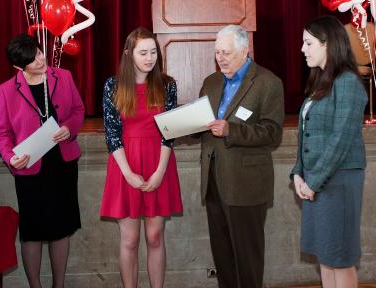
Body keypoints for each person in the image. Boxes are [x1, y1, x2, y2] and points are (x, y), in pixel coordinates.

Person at [0, 34, 85, 288]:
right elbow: (3, 133)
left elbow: (78, 110)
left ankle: (59, 285)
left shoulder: (63, 77)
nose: (40, 59)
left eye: (39, 52)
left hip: (63, 164)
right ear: (18, 67)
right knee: (32, 232)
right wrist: (11, 157)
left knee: (61, 227)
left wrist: (69, 128)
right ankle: (35, 286)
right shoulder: (6, 90)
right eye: (32, 60)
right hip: (30, 169)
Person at [199, 24, 284, 288]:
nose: (220, 58)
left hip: (246, 185)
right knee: (223, 257)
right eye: (217, 52)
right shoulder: (211, 82)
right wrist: (182, 126)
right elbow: (203, 123)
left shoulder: (268, 83)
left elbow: (272, 132)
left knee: (247, 259)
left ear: (245, 51)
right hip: (213, 182)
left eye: (226, 52)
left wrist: (231, 131)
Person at [100, 27, 183, 288]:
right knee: (130, 240)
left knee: (156, 236)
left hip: (160, 161)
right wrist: (128, 173)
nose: (150, 58)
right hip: (125, 164)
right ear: (129, 53)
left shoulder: (167, 85)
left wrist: (159, 172)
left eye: (153, 52)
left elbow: (169, 133)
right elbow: (112, 134)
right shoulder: (113, 85)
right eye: (143, 53)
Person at [290, 15, 368, 288]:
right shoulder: (320, 82)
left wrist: (312, 181)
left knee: (340, 258)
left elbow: (341, 140)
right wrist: (298, 173)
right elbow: (306, 133)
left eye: (308, 43)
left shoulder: (347, 82)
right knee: (325, 255)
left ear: (328, 44)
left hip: (339, 182)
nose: (303, 49)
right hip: (317, 181)